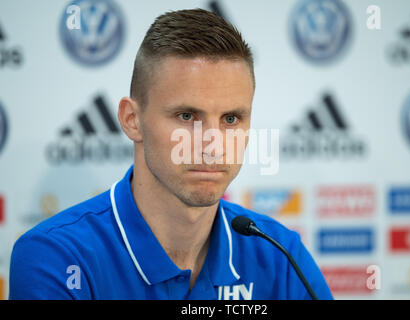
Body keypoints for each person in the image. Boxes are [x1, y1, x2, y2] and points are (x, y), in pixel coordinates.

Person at [9, 8, 332, 300]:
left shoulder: (279, 252)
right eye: (187, 117)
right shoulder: (58, 256)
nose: (213, 145)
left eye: (231, 119)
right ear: (131, 120)